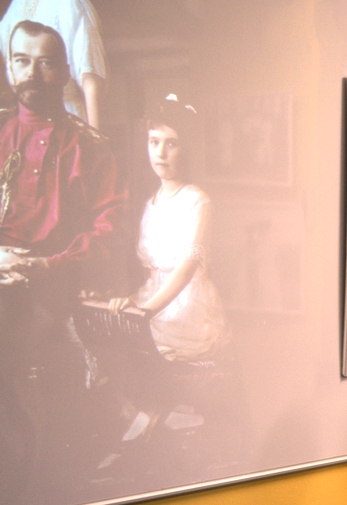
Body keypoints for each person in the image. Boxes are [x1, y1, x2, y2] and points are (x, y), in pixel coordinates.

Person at [0, 20, 124, 471]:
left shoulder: (91, 147)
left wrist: (49, 266)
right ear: (9, 66)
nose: (32, 74)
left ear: (66, 71)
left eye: (46, 63)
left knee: (26, 375)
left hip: (52, 289)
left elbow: (110, 234)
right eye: (22, 61)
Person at [108, 95, 228, 361]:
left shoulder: (197, 201)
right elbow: (152, 276)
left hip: (186, 308)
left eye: (171, 143)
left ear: (187, 149)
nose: (161, 153)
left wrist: (145, 311)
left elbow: (186, 270)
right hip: (151, 298)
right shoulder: (150, 202)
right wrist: (129, 301)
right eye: (154, 142)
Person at [0, 1, 107, 128]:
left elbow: (91, 82)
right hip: (25, 120)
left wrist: (94, 137)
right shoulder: (18, 4)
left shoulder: (69, 5)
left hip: (64, 119)